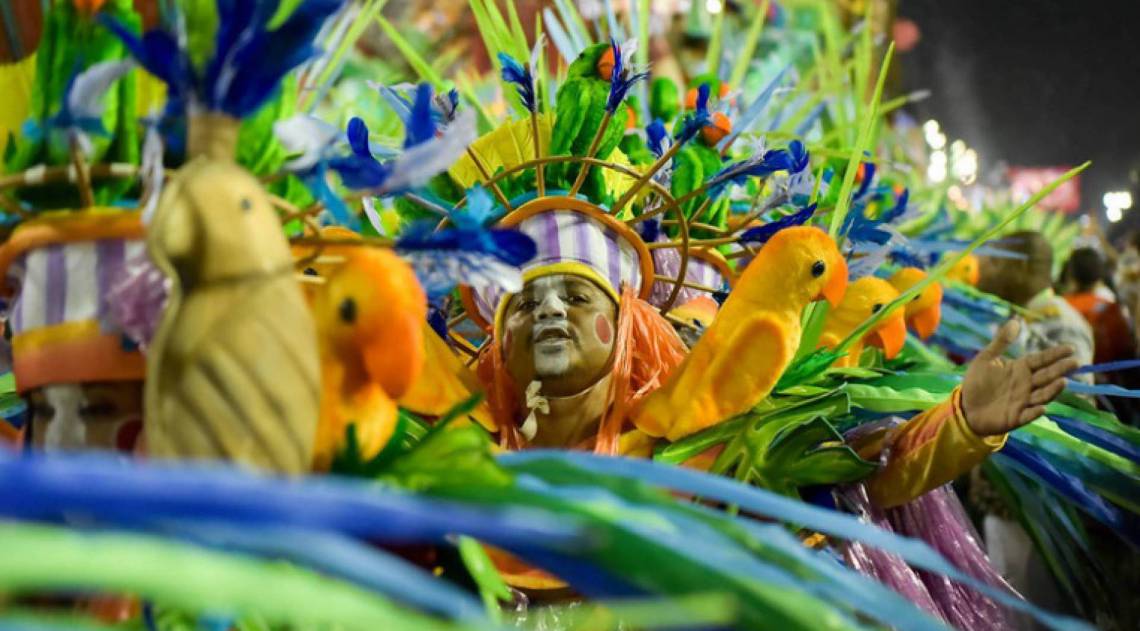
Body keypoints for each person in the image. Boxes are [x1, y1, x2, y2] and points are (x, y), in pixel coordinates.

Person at [1063, 247, 1135, 365]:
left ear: (1070, 275)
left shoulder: (1060, 307)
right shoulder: (1111, 308)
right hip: (1106, 376)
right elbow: (1125, 349)